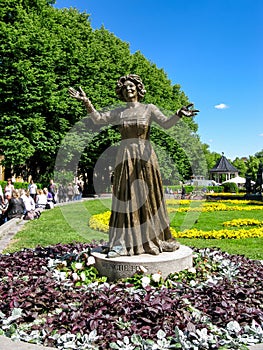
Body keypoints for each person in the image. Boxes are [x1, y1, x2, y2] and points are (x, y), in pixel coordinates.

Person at [69, 74, 198, 258]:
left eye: (132, 86)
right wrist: (86, 102)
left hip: (146, 156)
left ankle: (152, 238)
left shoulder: (148, 109)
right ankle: (122, 243)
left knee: (148, 197)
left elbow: (166, 124)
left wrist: (178, 115)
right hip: (125, 156)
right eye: (125, 87)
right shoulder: (119, 112)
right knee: (126, 196)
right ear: (121, 92)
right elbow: (98, 119)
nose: (129, 89)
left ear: (138, 89)